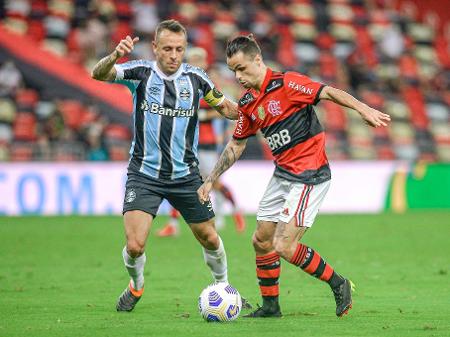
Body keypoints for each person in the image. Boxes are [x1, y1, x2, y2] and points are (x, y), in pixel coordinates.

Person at [198, 35, 391, 318]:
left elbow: (328, 91)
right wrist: (210, 179)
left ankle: (339, 283)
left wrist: (363, 108)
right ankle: (271, 307)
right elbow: (236, 144)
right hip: (283, 173)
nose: (237, 76)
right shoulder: (250, 101)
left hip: (310, 174)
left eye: (241, 68)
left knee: (283, 246)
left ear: (257, 60)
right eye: (233, 71)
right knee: (261, 240)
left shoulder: (287, 84)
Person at [91, 19, 240, 312]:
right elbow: (99, 74)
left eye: (179, 49)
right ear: (156, 48)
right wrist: (114, 56)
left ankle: (224, 287)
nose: (174, 55)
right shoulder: (139, 72)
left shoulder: (197, 79)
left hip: (186, 175)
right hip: (144, 174)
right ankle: (136, 286)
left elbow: (225, 107)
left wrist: (252, 110)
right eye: (168, 48)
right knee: (135, 245)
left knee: (210, 237)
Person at [157, 47, 246, 237]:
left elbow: (222, 109)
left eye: (199, 59)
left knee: (214, 182)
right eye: (193, 59)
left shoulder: (207, 85)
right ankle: (173, 224)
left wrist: (201, 114)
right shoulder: (181, 84)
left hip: (205, 143)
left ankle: (237, 211)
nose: (196, 62)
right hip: (184, 143)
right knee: (177, 181)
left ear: (205, 63)